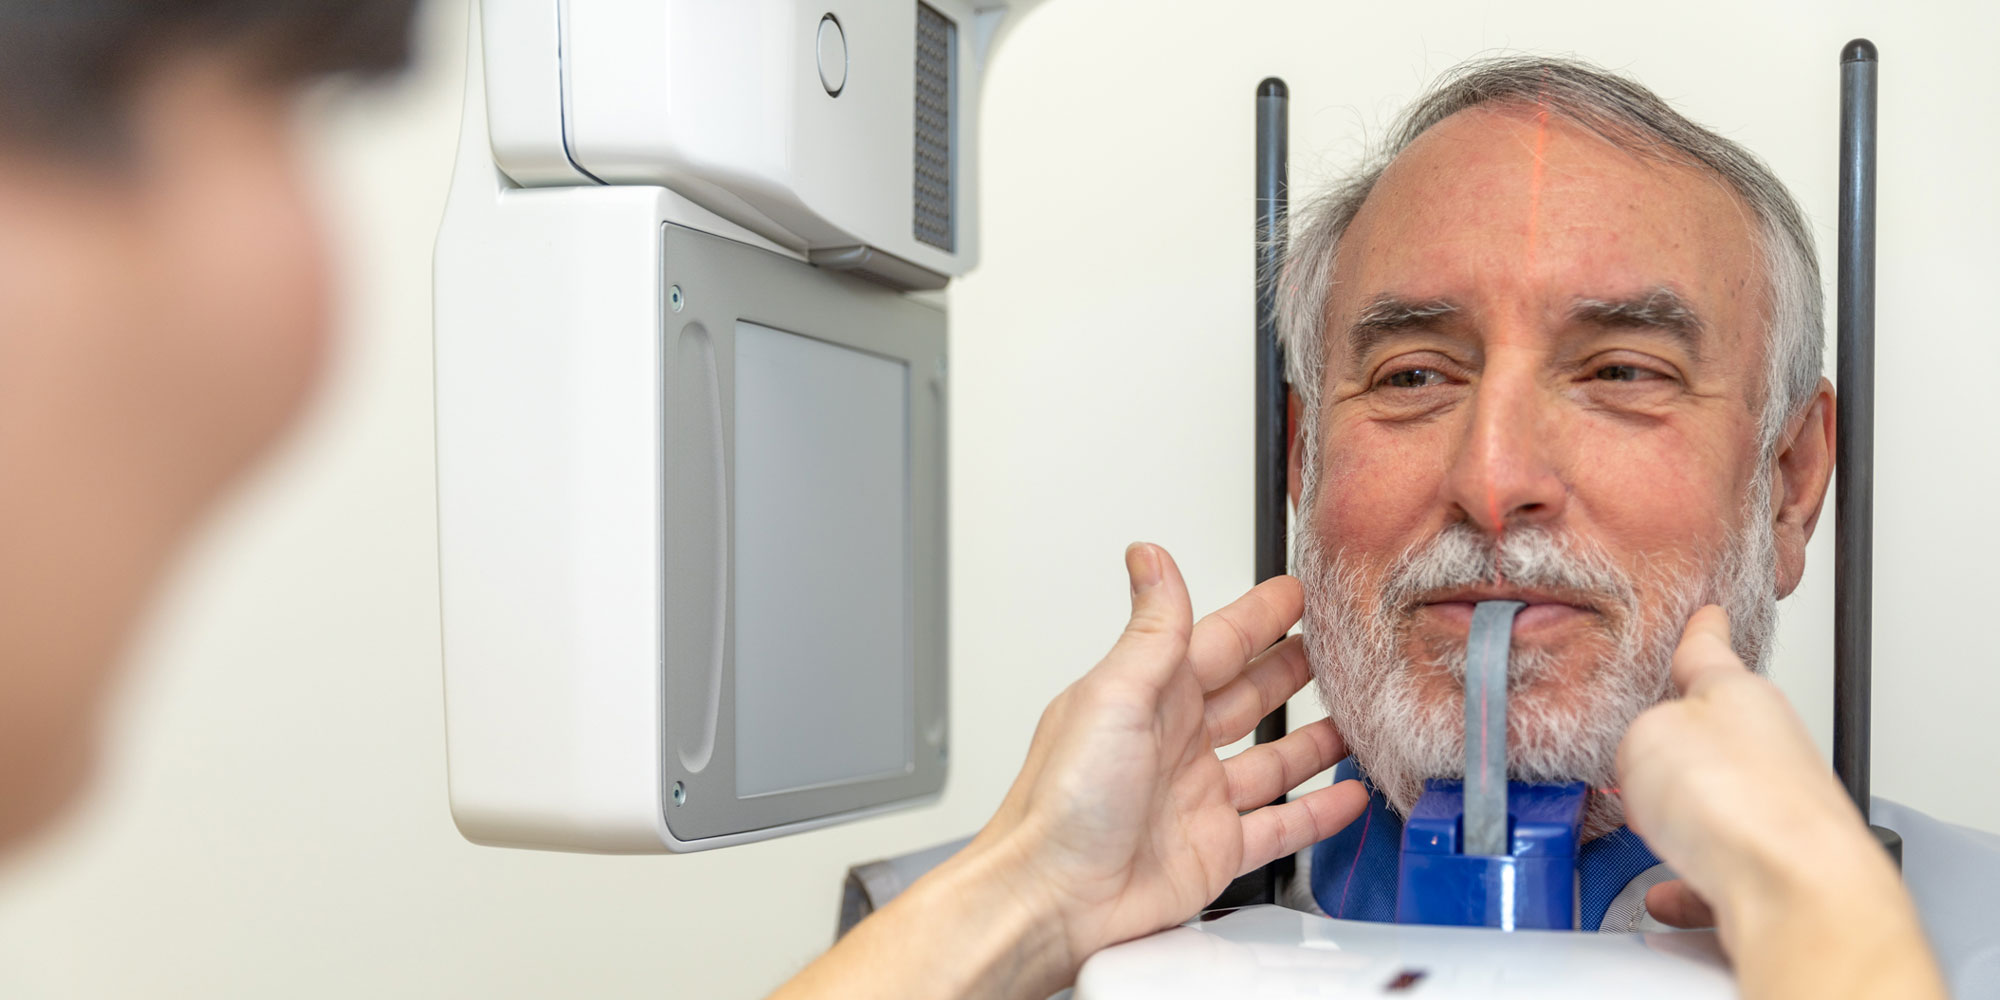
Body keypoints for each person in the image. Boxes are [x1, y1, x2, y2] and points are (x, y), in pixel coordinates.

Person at [0, 6, 1961, 998]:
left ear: (1789, 481)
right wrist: (1025, 890)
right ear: (1300, 461)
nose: (1489, 472)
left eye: (1619, 372)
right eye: (1407, 370)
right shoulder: (986, 930)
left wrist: (1823, 921)